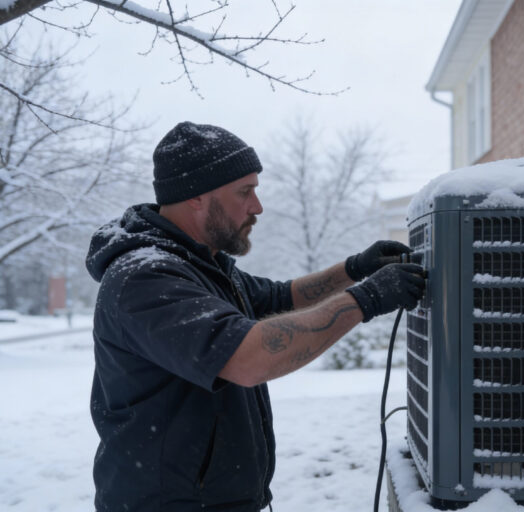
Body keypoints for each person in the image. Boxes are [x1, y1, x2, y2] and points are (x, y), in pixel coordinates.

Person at [85, 121, 426, 511]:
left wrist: (354, 267)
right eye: (244, 192)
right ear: (196, 196)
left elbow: (279, 298)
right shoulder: (146, 278)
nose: (257, 207)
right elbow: (248, 359)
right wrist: (365, 299)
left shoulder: (205, 265)